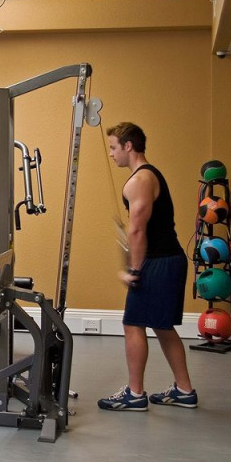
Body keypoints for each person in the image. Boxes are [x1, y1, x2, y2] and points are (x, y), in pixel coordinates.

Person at [97, 122, 198, 412]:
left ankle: (135, 393)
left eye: (114, 147)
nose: (112, 154)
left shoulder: (139, 180)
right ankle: (184, 390)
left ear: (129, 146)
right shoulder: (148, 176)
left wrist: (135, 270)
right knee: (162, 327)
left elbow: (137, 231)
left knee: (133, 324)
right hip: (168, 259)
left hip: (158, 262)